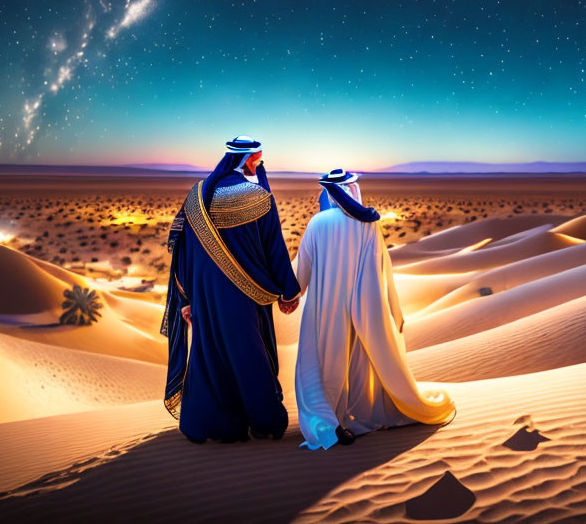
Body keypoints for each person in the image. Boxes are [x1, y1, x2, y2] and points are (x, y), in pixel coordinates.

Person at [294, 168, 455, 449]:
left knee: (323, 364)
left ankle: (327, 424)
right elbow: (382, 272)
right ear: (351, 192)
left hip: (324, 310)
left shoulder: (318, 223)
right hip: (362, 307)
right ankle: (358, 415)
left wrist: (289, 296)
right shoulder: (367, 225)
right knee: (359, 362)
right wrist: (390, 309)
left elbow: (302, 273)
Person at [160, 136, 301, 443]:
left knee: (209, 352)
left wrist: (187, 298)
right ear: (250, 160)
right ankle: (266, 422)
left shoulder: (196, 195)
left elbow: (182, 250)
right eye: (258, 159)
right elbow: (274, 249)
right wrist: (288, 293)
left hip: (206, 296)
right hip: (243, 297)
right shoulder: (258, 197)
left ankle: (213, 424)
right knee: (248, 355)